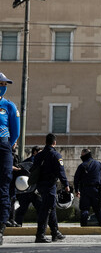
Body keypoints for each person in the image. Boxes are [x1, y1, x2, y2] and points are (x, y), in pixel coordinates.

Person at [34, 133, 69, 243]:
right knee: (46, 210)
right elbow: (61, 171)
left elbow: (34, 169)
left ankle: (55, 233)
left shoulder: (39, 155)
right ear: (54, 142)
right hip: (49, 185)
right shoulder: (56, 155)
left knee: (51, 207)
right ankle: (40, 235)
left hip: (40, 185)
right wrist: (66, 184)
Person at [0, 72, 20, 245]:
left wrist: (9, 145)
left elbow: (16, 130)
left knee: (4, 185)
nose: (3, 87)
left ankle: (0, 226)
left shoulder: (9, 106)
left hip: (3, 146)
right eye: (1, 84)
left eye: (5, 84)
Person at [73, 148, 101, 227]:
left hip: (85, 191)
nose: (81, 157)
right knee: (98, 210)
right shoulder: (99, 164)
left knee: (84, 210)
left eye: (81, 155)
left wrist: (77, 190)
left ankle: (83, 227)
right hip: (96, 191)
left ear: (85, 155)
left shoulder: (82, 166)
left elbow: (76, 179)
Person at [14, 146, 42, 226]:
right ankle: (42, 225)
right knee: (39, 208)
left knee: (22, 209)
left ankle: (18, 224)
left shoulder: (27, 162)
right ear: (35, 152)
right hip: (33, 190)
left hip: (26, 190)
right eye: (39, 152)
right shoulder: (34, 162)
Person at [6, 142, 20, 227]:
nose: (15, 144)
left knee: (12, 200)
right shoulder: (6, 153)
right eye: (14, 142)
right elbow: (6, 165)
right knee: (6, 200)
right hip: (7, 181)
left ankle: (11, 219)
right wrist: (15, 168)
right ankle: (6, 219)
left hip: (13, 181)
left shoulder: (14, 154)